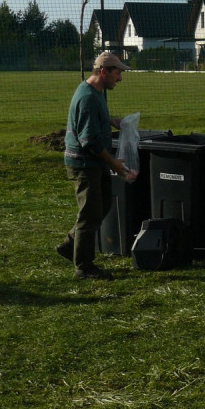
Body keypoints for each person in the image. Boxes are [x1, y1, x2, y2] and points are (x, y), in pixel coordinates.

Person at [57, 51, 137, 280]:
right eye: (117, 73)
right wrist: (114, 164)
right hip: (83, 163)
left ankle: (69, 246)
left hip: (94, 161)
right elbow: (89, 140)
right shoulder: (88, 98)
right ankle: (83, 266)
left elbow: (96, 122)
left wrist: (113, 121)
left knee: (102, 207)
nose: (120, 78)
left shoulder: (98, 92)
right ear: (103, 72)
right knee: (89, 213)